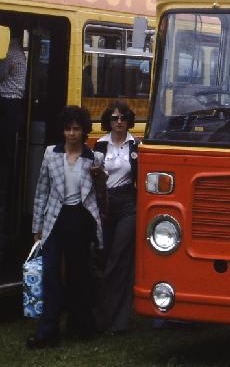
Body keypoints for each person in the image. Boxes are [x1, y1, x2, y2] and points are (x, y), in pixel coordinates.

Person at [27, 106, 104, 348]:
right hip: (54, 220)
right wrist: (36, 227)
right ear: (63, 131)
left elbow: (101, 194)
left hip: (79, 219)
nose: (72, 133)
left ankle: (80, 325)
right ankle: (47, 331)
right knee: (50, 273)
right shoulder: (51, 154)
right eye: (68, 129)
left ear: (83, 132)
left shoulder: (94, 158)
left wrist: (99, 176)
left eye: (76, 129)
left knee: (78, 274)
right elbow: (41, 192)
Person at [93, 101, 139, 334]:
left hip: (128, 205)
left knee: (118, 260)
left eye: (123, 118)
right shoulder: (100, 145)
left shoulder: (136, 145)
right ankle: (104, 317)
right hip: (105, 204)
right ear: (108, 121)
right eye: (114, 118)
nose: (119, 122)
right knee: (105, 257)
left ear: (129, 120)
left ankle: (116, 321)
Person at [0, 26, 27, 264]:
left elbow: (1, 76)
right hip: (14, 106)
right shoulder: (20, 52)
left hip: (8, 105)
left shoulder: (11, 53)